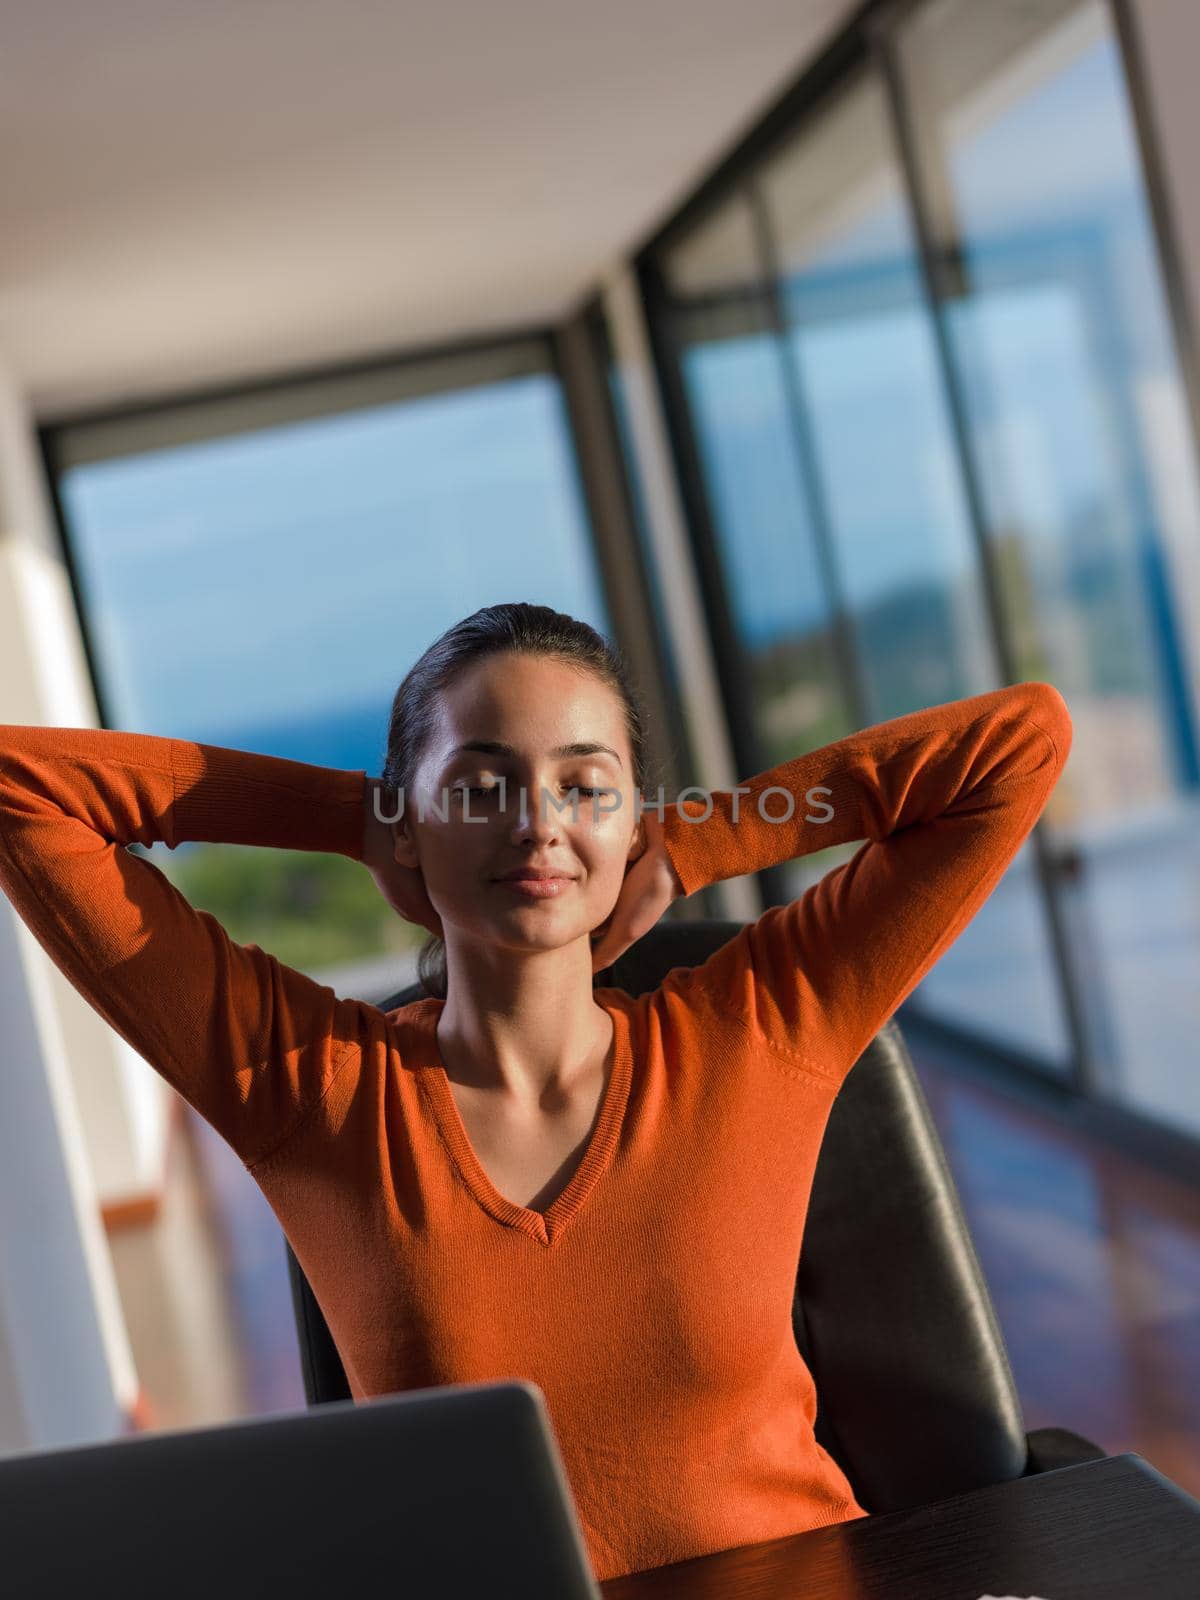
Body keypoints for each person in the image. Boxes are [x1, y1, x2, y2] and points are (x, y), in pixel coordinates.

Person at [0, 600, 1073, 1583]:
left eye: (584, 785)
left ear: (630, 820)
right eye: (479, 785)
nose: (537, 823)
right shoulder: (301, 1086)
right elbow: (24, 789)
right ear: (407, 819)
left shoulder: (761, 1029)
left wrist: (702, 838)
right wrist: (350, 815)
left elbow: (1016, 744)